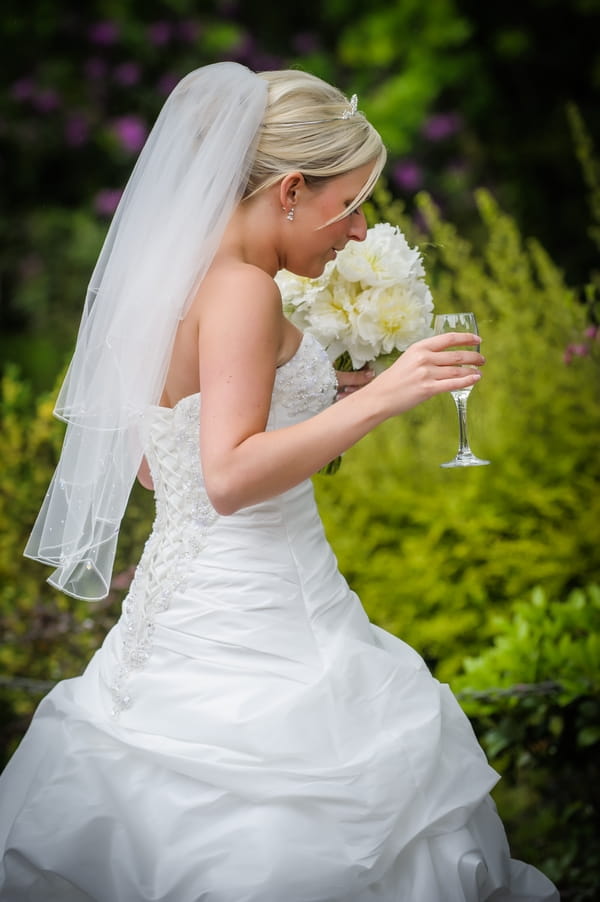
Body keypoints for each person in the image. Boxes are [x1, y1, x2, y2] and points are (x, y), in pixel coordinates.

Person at [0, 62, 558, 902]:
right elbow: (227, 476)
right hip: (263, 620)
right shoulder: (245, 290)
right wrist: (393, 395)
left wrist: (337, 395)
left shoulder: (179, 281)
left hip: (179, 611)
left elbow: (165, 462)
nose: (360, 229)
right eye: (350, 202)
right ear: (292, 188)